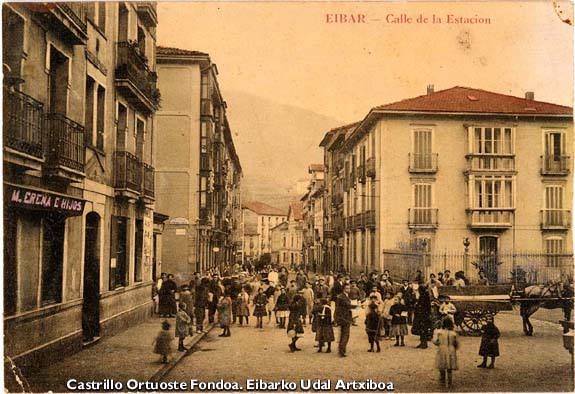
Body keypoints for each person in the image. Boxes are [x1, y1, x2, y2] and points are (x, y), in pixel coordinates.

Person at [432, 318, 459, 388]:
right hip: (451, 349)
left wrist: (439, 343)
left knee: (442, 366)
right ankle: (449, 382)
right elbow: (457, 343)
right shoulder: (454, 333)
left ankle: (442, 381)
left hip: (442, 349)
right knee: (449, 366)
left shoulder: (439, 333)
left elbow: (435, 341)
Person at [335, 283, 354, 357]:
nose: (348, 290)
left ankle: (341, 350)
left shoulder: (344, 296)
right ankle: (342, 351)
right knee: (345, 335)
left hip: (343, 317)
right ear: (343, 289)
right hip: (344, 318)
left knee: (343, 334)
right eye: (346, 288)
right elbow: (348, 305)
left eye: (349, 288)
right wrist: (357, 306)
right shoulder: (341, 297)